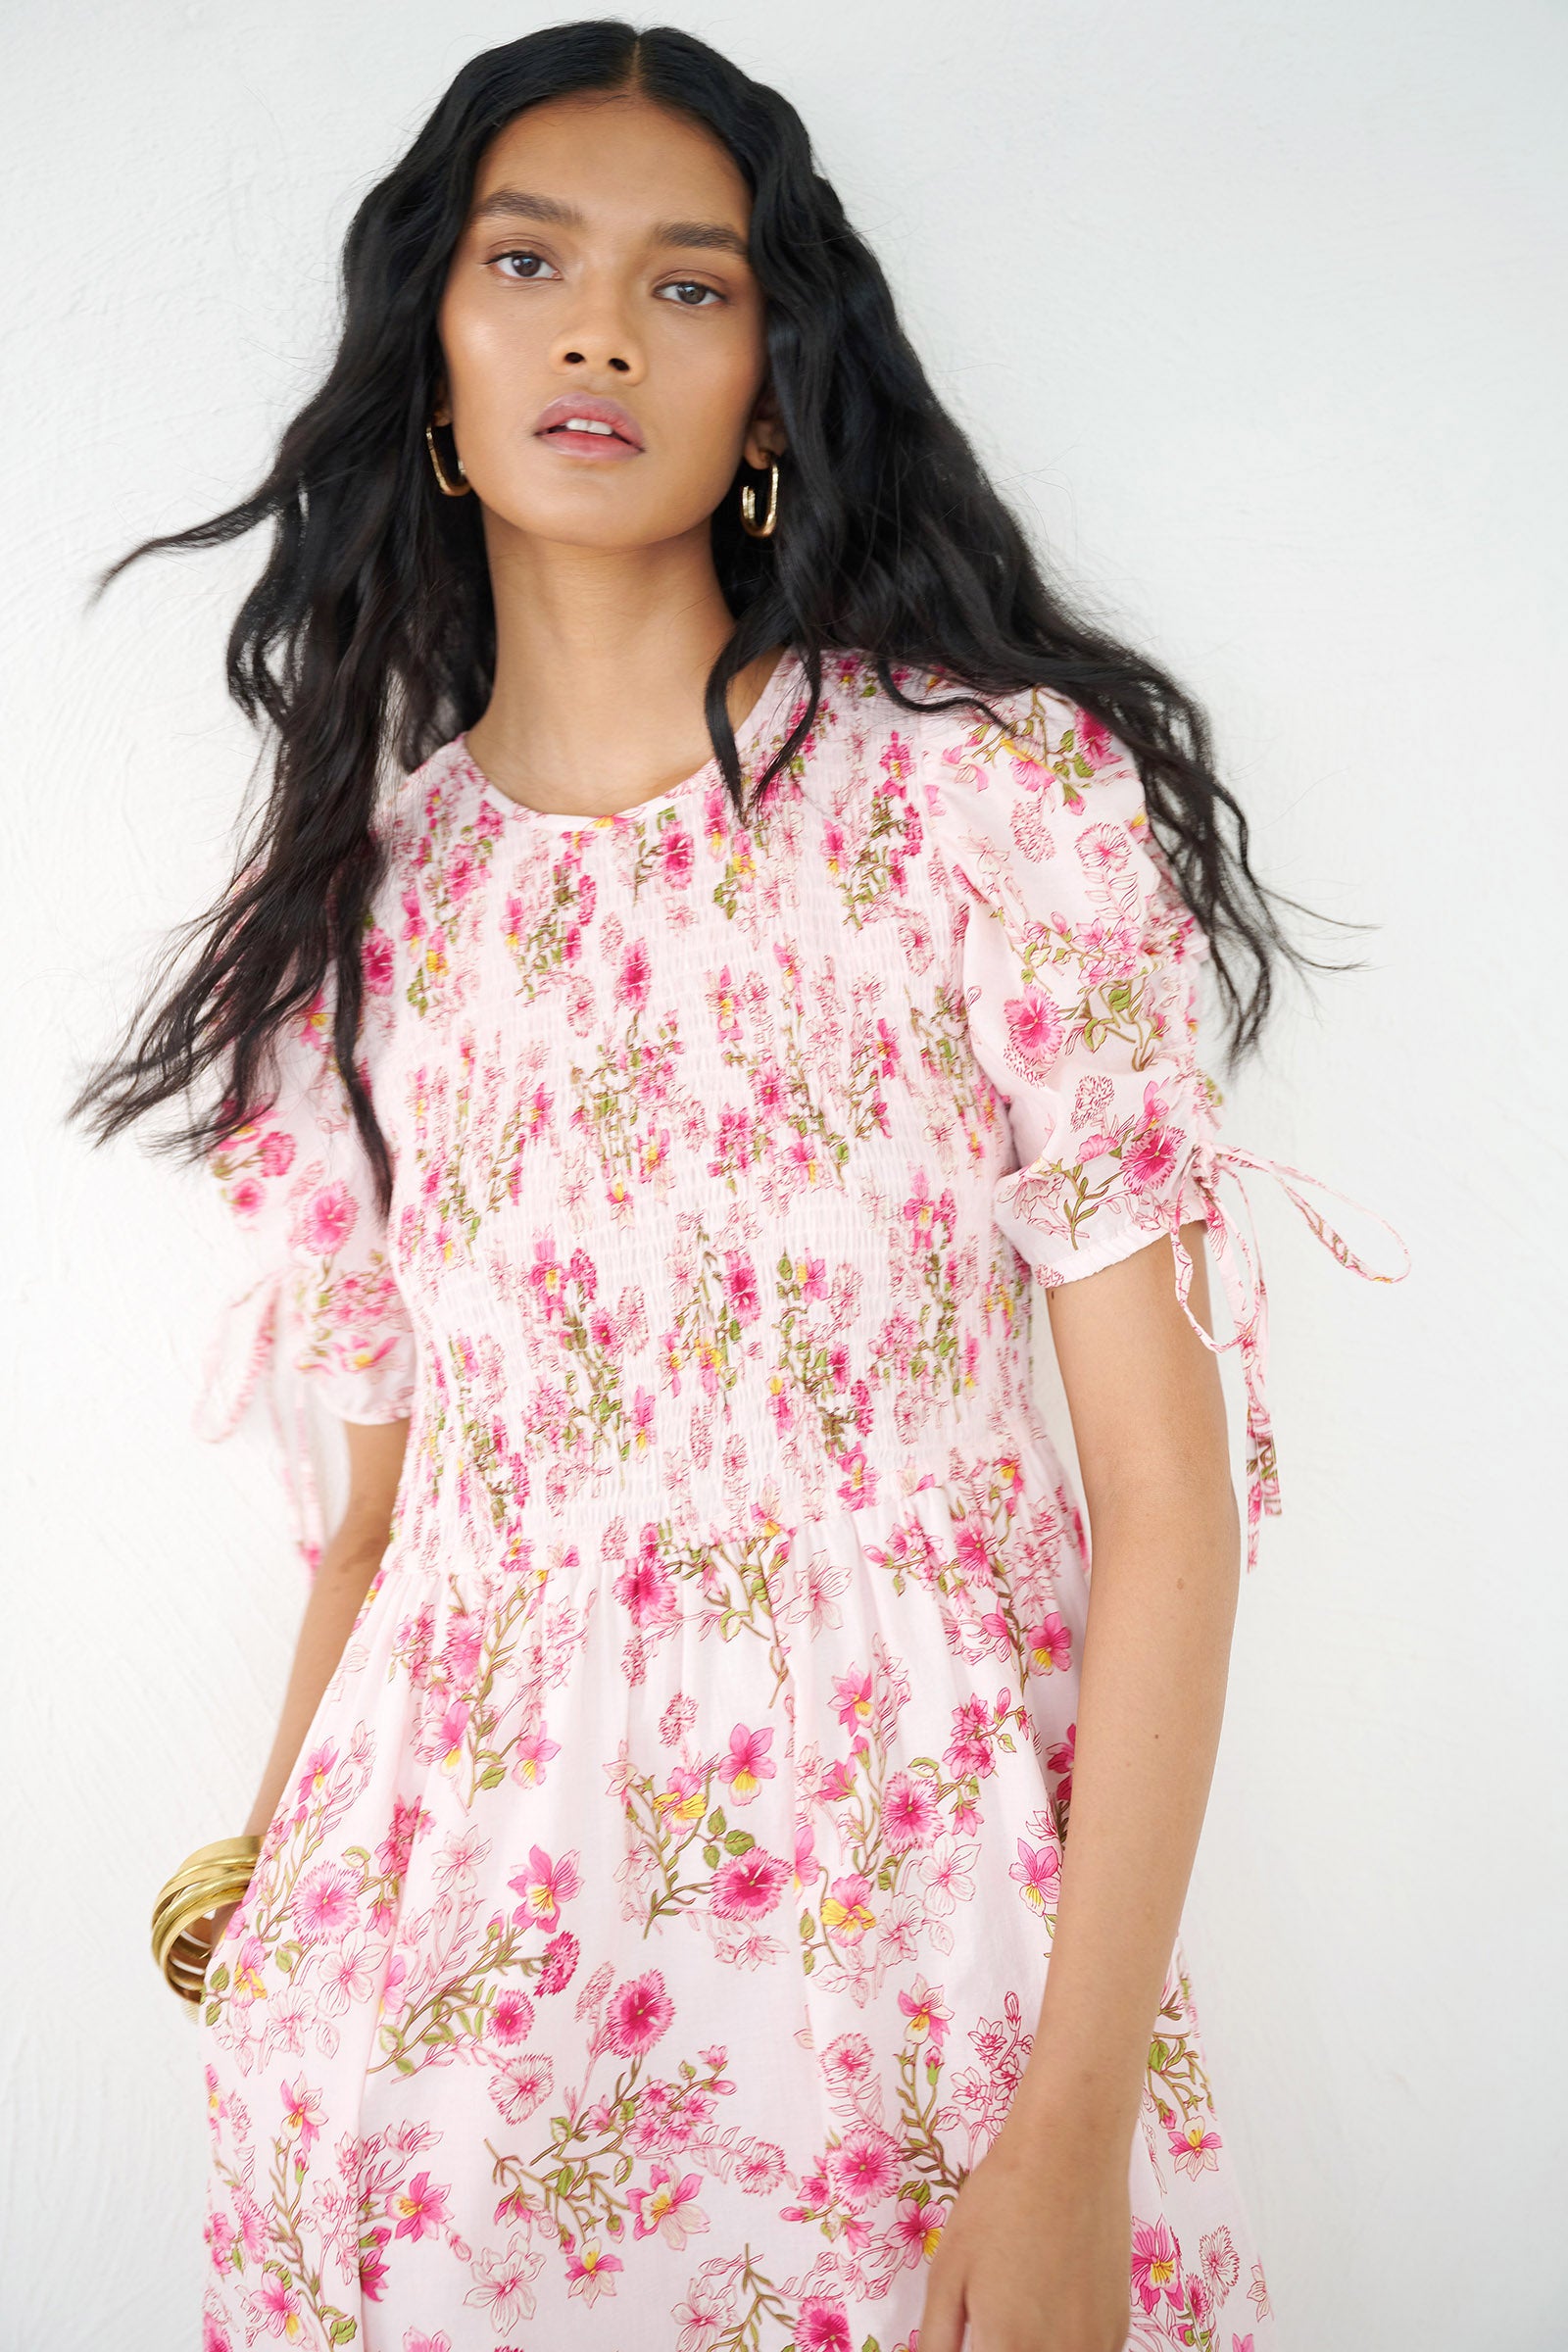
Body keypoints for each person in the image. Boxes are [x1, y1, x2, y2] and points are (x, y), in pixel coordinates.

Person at [74, 22, 1408, 2351]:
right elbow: (383, 1534)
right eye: (529, 261)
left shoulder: (987, 807)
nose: (600, 327)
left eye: (690, 286)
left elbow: (1163, 1509)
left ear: (776, 383)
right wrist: (253, 1929)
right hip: (417, 2048)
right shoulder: (348, 922)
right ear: (434, 359)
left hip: (920, 1991)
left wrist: (1071, 2135)